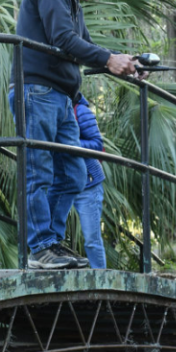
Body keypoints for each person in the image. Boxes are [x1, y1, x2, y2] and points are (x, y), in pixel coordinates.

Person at [9, 0, 138, 269]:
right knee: (39, 171)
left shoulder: (72, 3)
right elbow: (63, 39)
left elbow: (87, 46)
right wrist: (108, 60)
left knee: (73, 174)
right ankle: (39, 248)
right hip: (36, 91)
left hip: (63, 98)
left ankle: (51, 241)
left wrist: (127, 62)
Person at [73, 93, 107, 269]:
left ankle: (102, 283)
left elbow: (97, 144)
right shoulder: (52, 110)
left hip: (88, 183)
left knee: (92, 239)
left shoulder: (81, 111)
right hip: (64, 183)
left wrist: (70, 143)